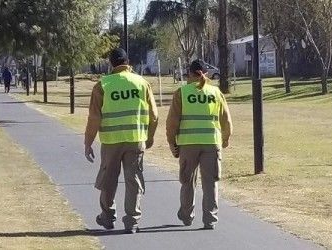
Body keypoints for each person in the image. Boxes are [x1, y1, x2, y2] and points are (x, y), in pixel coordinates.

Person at [84, 48, 159, 234]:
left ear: (111, 63)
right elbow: (154, 115)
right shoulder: (142, 83)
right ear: (128, 61)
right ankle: (132, 221)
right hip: (135, 140)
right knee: (133, 180)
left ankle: (107, 217)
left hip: (111, 141)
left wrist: (88, 142)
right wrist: (149, 137)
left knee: (109, 180)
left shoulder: (103, 85)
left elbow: (94, 118)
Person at [166, 59, 232, 230]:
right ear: (207, 74)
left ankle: (187, 215)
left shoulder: (182, 93)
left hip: (188, 144)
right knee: (211, 183)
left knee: (188, 181)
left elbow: (172, 123)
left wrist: (172, 143)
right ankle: (210, 219)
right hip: (211, 143)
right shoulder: (216, 92)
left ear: (189, 74)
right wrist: (225, 139)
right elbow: (226, 120)